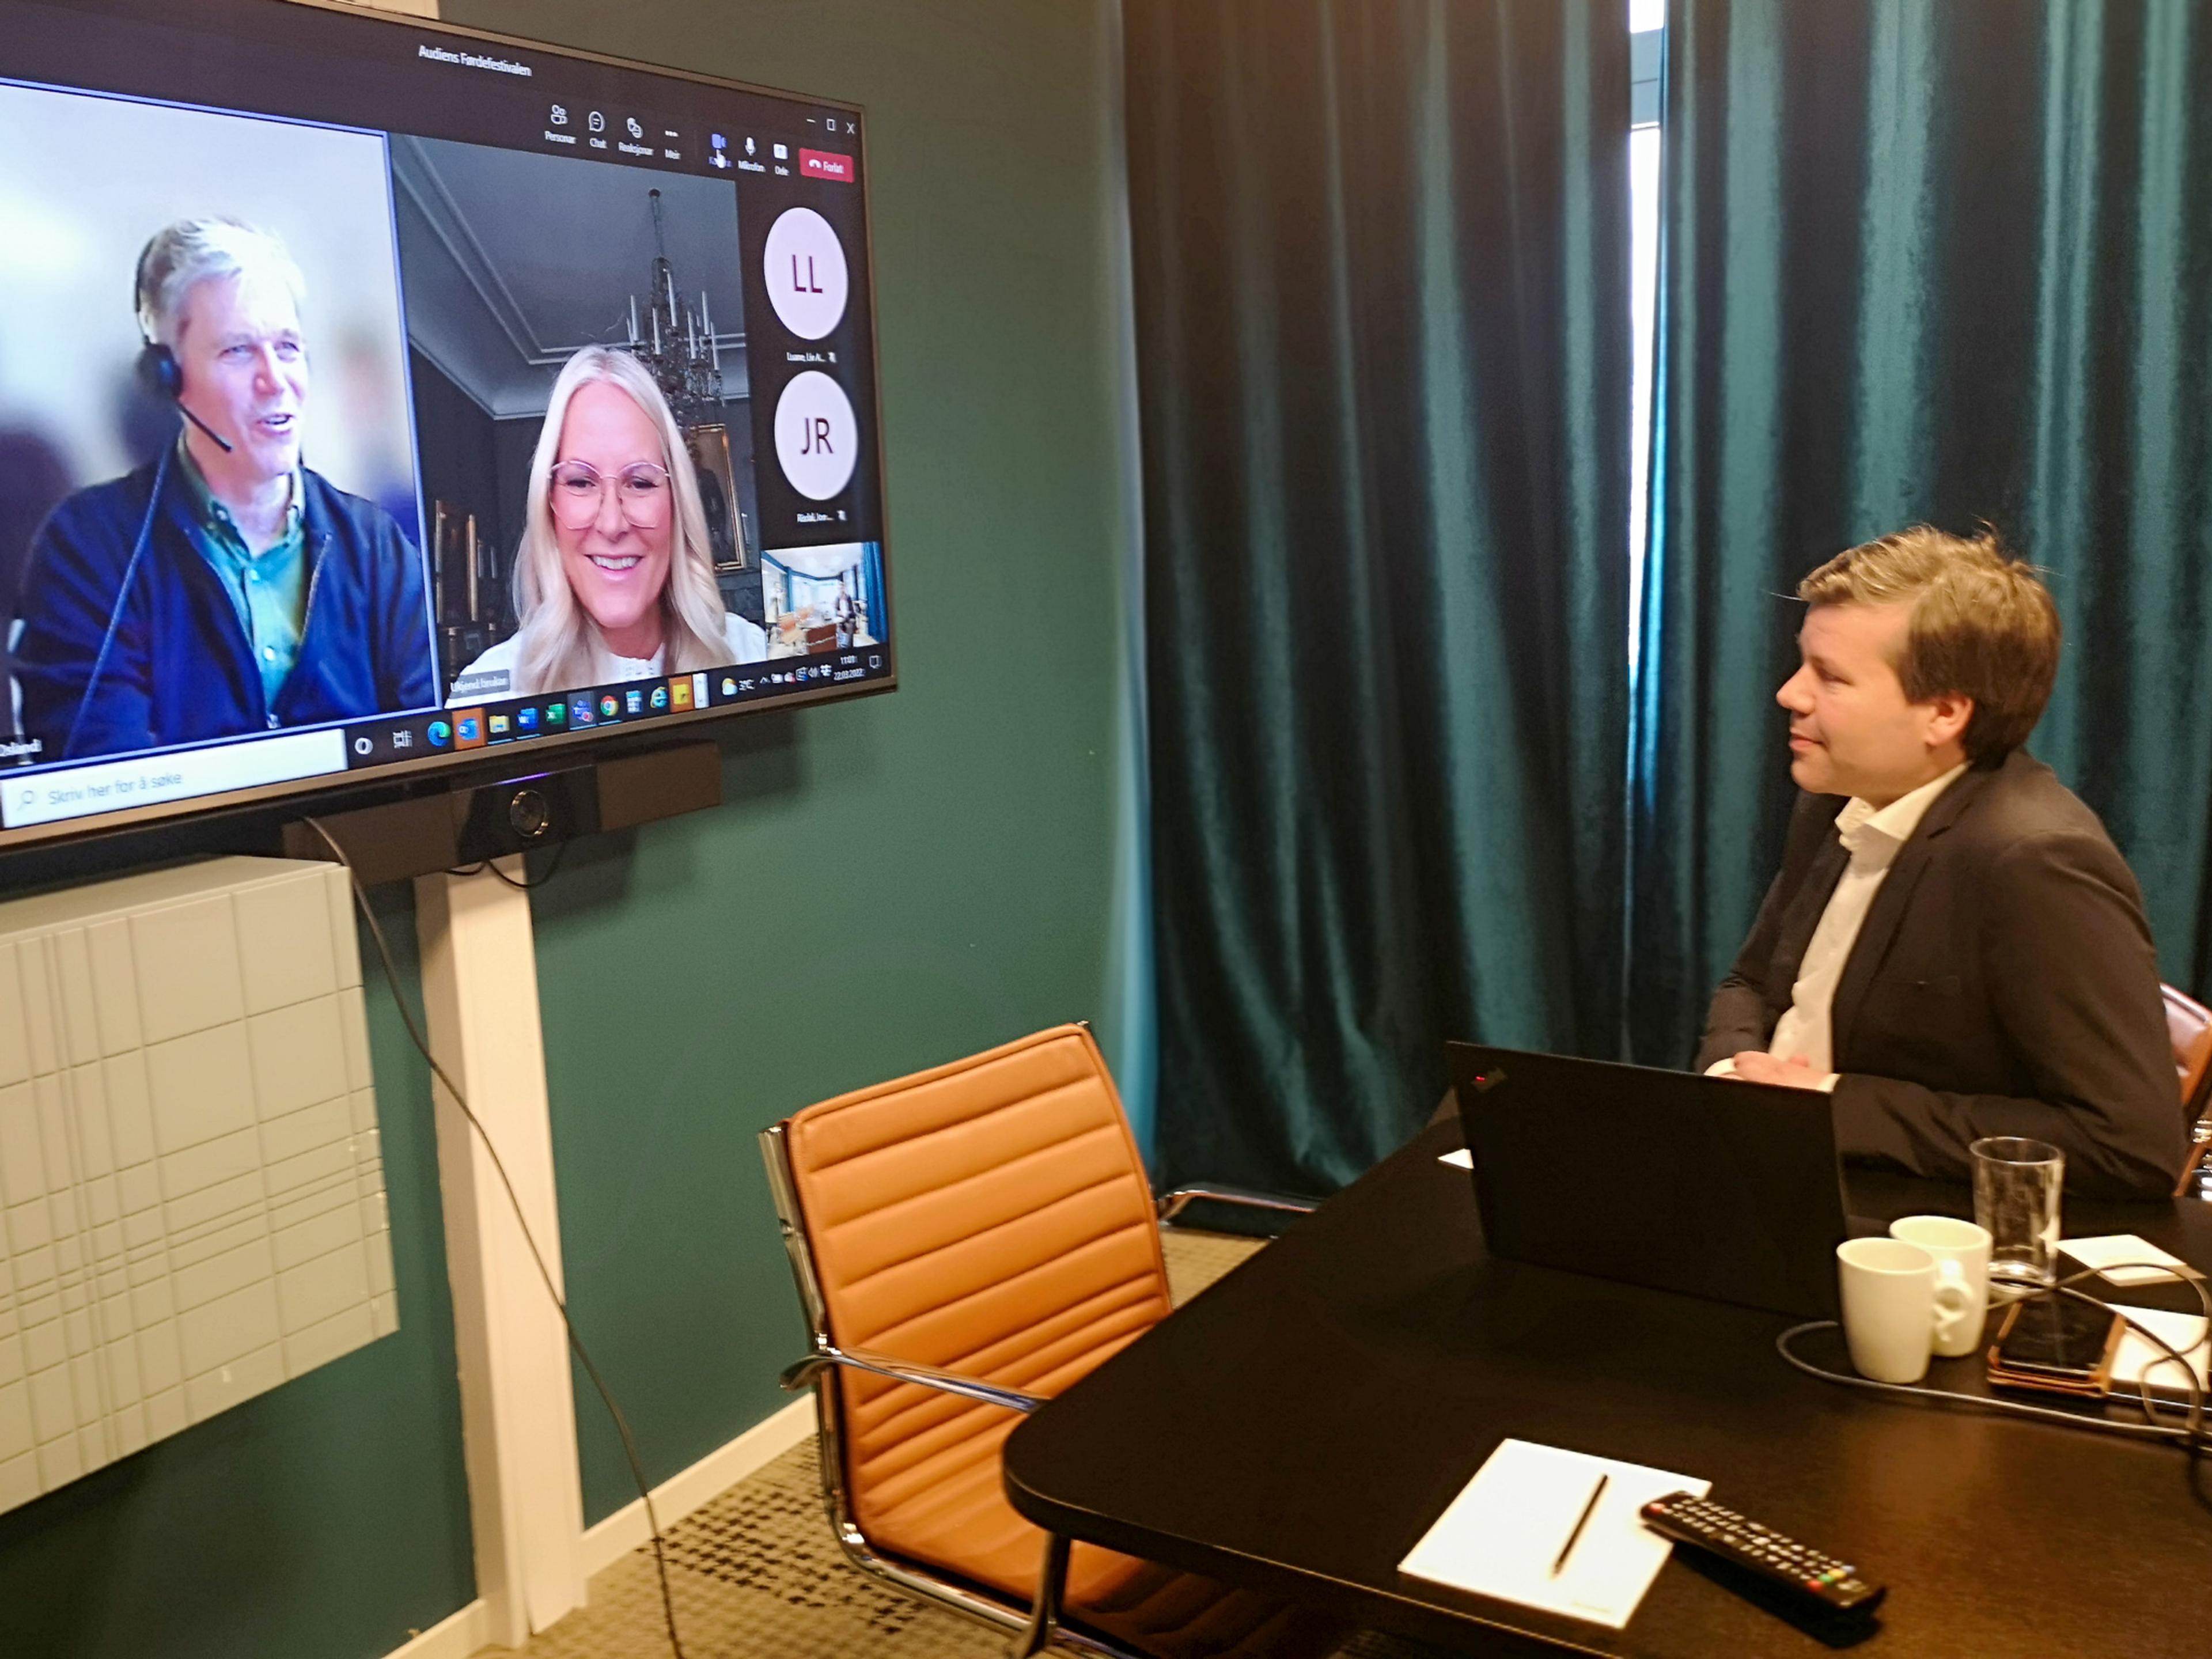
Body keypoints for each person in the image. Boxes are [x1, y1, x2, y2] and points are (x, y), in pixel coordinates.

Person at [1698, 527, 2184, 1197]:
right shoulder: (1836, 796)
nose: (1790, 694)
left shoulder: (2033, 862)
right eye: (1803, 663)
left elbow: (2131, 1143)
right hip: (1767, 1168)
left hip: (1902, 1216)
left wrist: (1831, 1104)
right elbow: (1751, 983)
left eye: (1831, 677)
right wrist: (1732, 1077)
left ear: (1945, 713)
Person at [14, 218, 434, 763]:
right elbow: (100, 769)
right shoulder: (87, 547)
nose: (275, 380)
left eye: (288, 347)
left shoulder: (377, 546)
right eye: (238, 351)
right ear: (169, 377)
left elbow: (427, 754)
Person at [450, 345, 764, 698]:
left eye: (641, 483)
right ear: (548, 506)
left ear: (678, 504)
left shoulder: (754, 654)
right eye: (580, 482)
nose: (612, 524)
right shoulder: (486, 693)